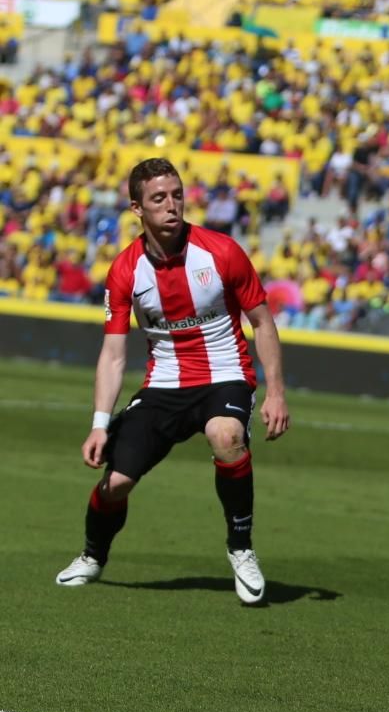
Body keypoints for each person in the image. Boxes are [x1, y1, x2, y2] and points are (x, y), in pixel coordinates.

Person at [56, 158, 290, 605]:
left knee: (227, 435)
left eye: (177, 194)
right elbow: (113, 353)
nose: (171, 205)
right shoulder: (125, 270)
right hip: (164, 385)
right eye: (158, 198)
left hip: (224, 376)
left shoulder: (221, 251)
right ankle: (92, 555)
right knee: (117, 484)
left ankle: (241, 549)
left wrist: (276, 392)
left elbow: (263, 321)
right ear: (137, 208)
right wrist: (100, 422)